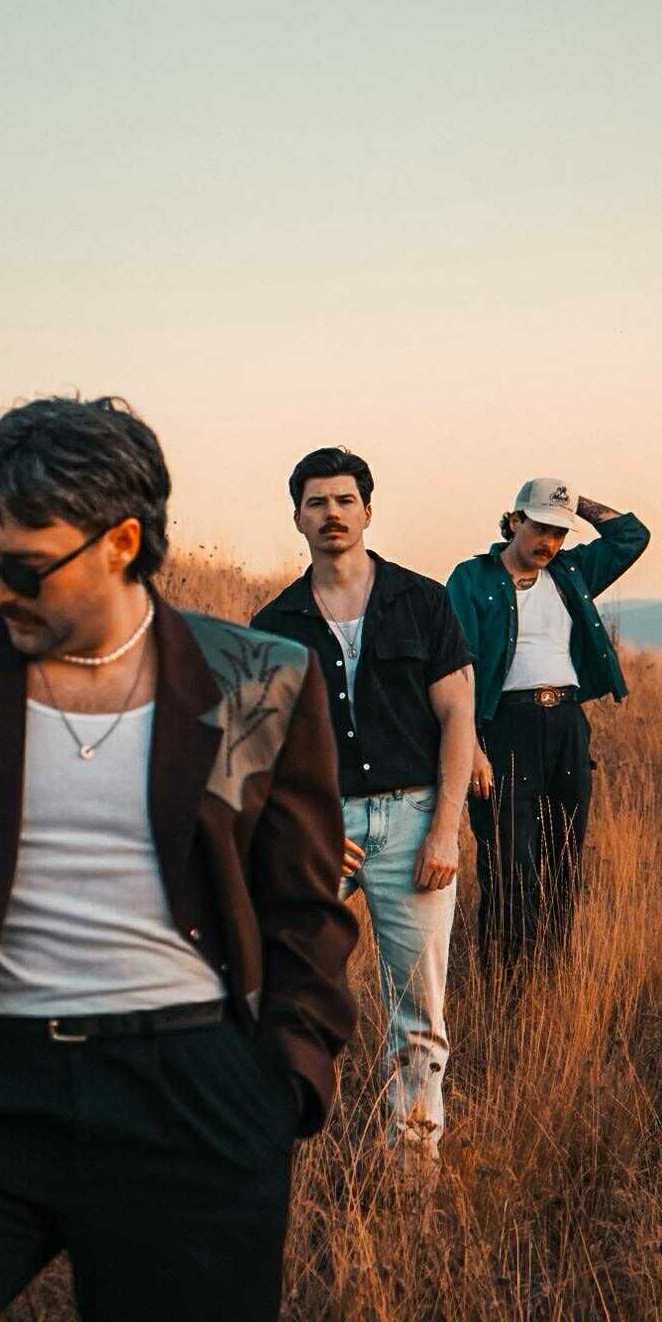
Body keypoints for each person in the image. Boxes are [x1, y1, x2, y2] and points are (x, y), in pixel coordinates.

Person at [0, 396, 356, 1322]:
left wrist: (282, 1088)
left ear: (122, 543)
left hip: (191, 1097)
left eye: (24, 568)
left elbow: (304, 907)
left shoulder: (261, 677)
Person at [251, 447, 474, 1173]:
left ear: (367, 511)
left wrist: (445, 830)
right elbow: (264, 749)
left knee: (418, 1009)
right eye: (316, 502)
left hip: (414, 823)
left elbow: (458, 716)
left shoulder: (422, 601)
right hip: (323, 829)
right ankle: (275, 1151)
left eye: (345, 500)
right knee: (280, 984)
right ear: (297, 518)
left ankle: (413, 1169)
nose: (332, 514)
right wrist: (302, 830)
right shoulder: (275, 623)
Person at [447, 478, 650, 965]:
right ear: (515, 520)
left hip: (567, 723)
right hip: (504, 727)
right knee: (509, 860)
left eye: (559, 532)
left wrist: (573, 502)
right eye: (540, 527)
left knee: (564, 856)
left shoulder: (570, 572)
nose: (549, 542)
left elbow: (631, 537)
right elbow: (456, 667)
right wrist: (471, 746)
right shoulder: (472, 578)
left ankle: (551, 972)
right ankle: (507, 980)